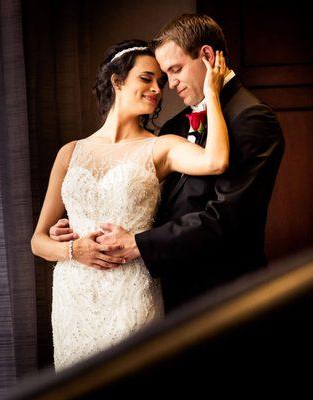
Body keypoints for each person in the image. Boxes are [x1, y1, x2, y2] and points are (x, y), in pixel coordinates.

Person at [49, 14, 285, 314]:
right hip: (166, 292)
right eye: (162, 76)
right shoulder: (175, 125)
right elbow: (150, 202)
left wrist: (139, 244)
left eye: (174, 71)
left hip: (224, 294)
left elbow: (226, 219)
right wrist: (80, 228)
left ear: (208, 56)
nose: (169, 86)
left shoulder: (251, 118)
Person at [31, 38, 230, 371]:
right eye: (146, 78)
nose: (157, 89)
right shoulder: (69, 153)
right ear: (117, 80)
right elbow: (38, 241)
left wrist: (213, 95)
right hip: (74, 297)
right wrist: (72, 250)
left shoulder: (161, 147)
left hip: (130, 291)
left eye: (161, 82)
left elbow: (216, 161)